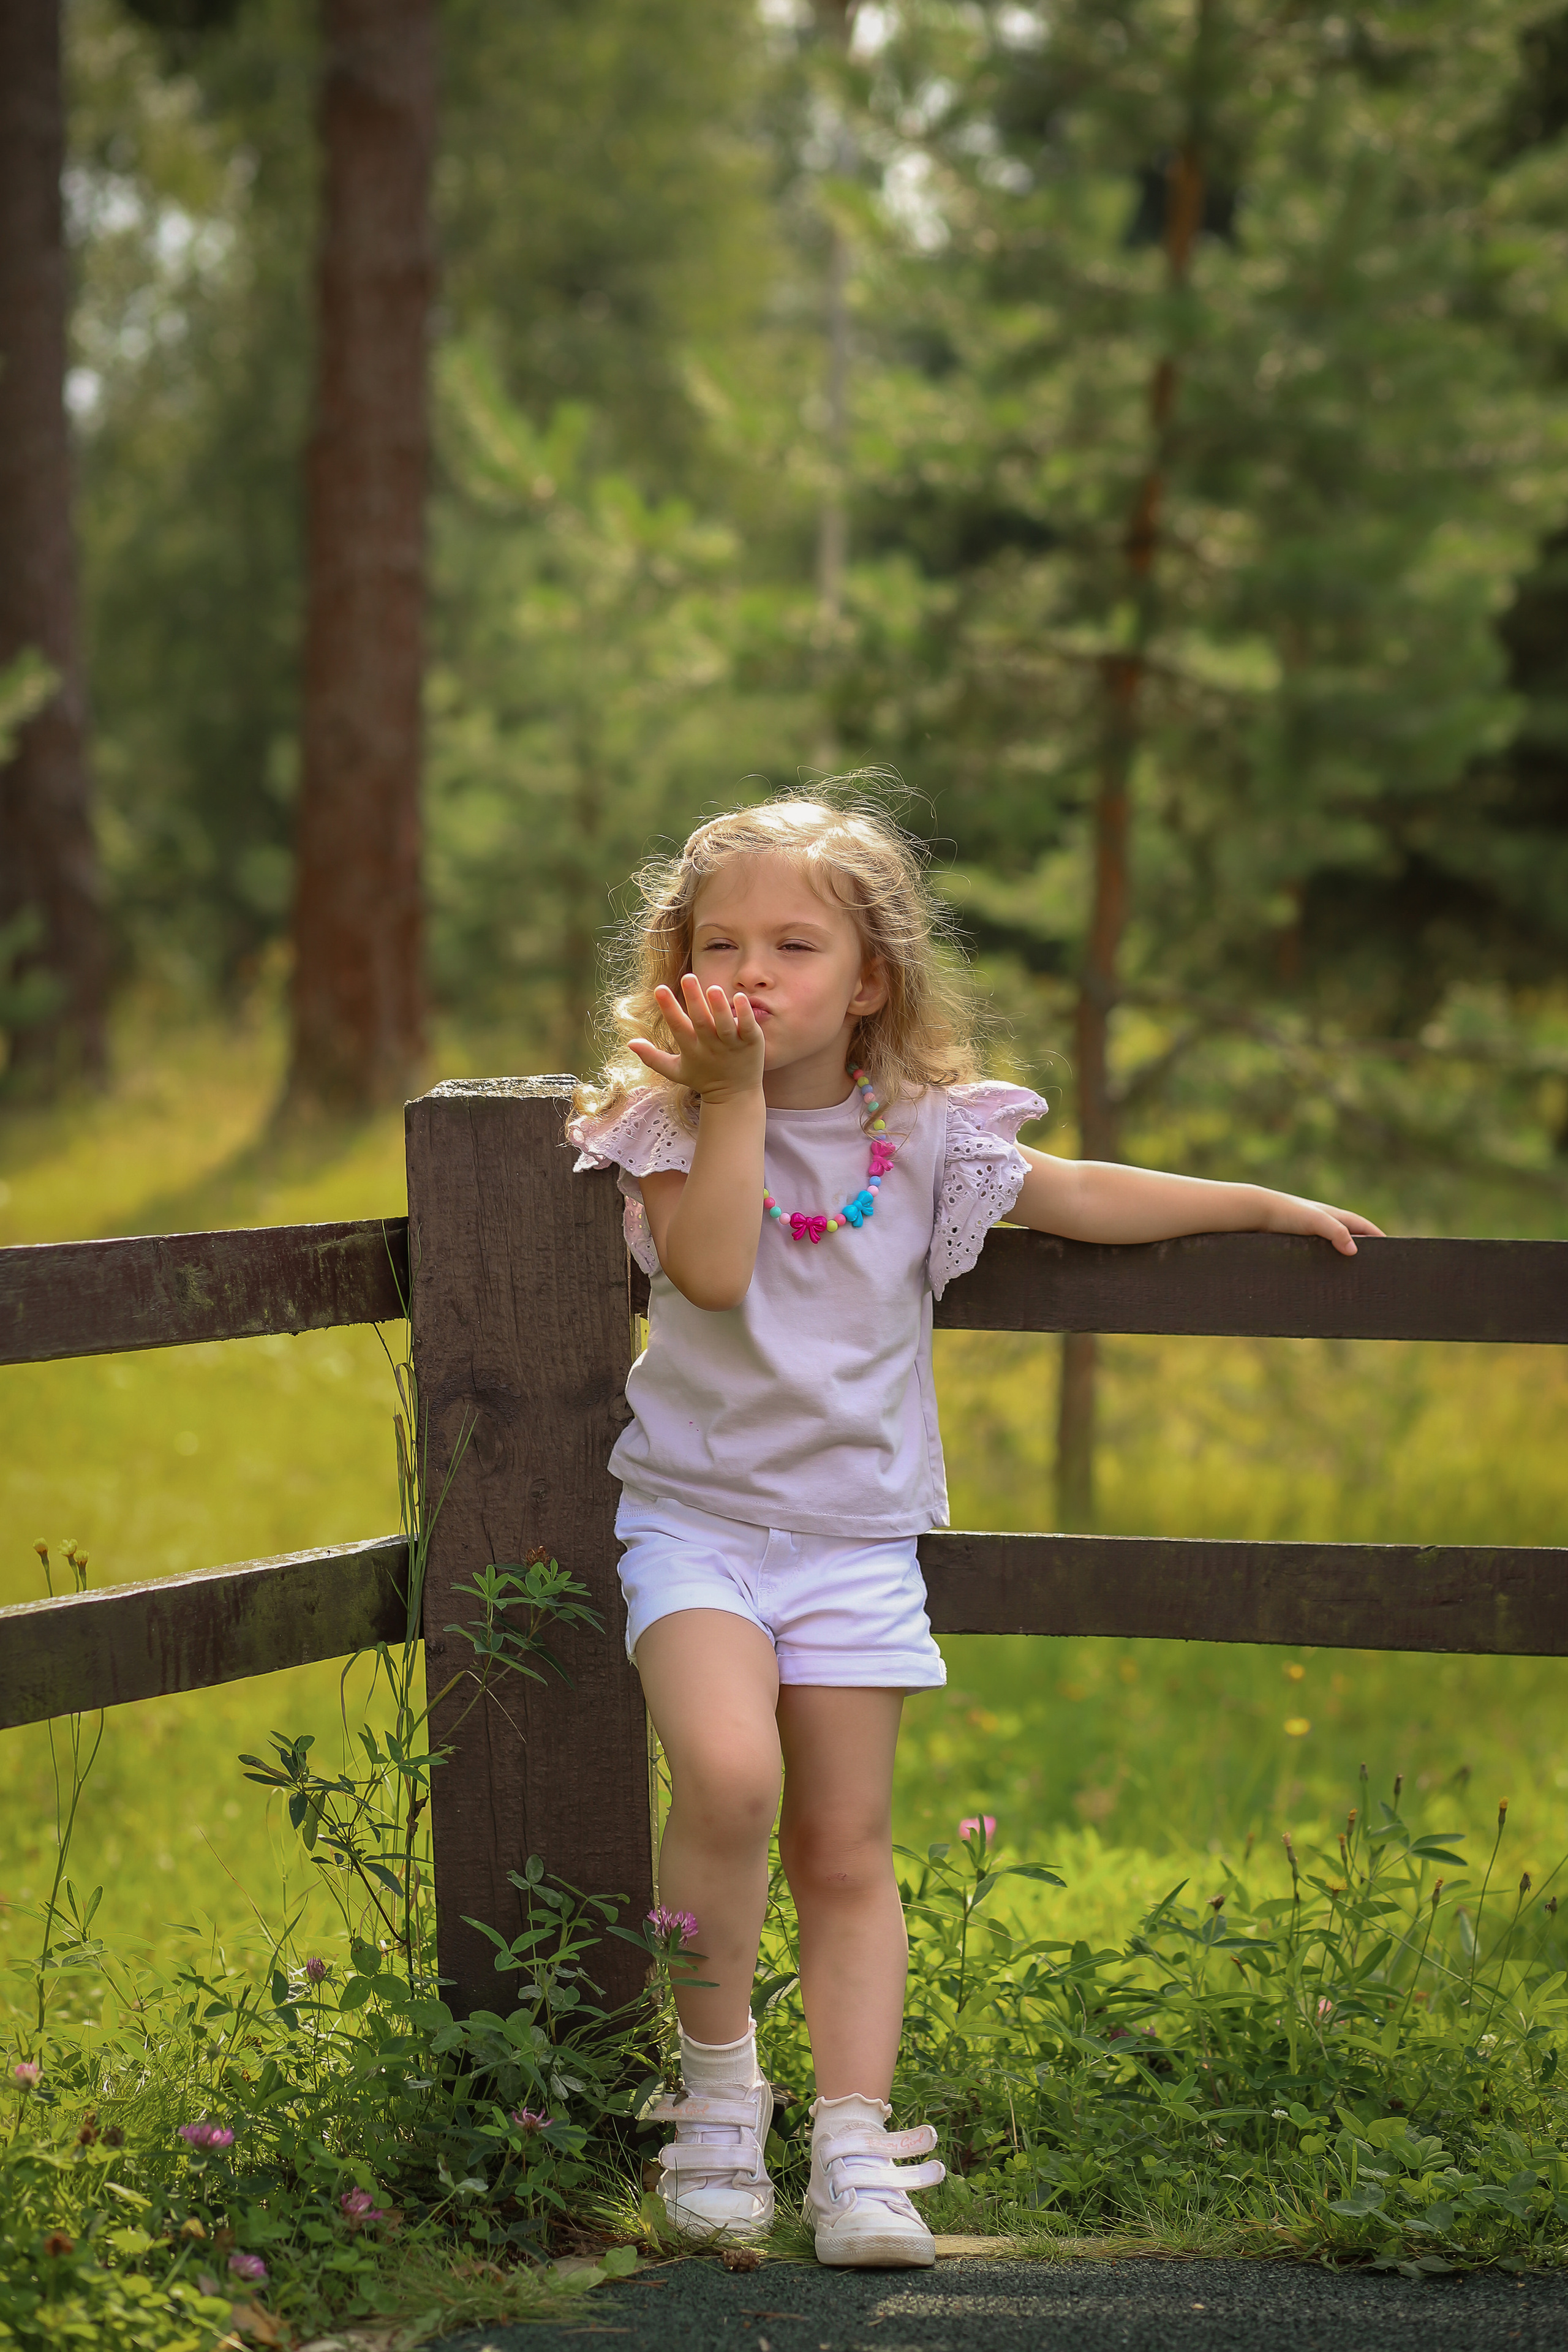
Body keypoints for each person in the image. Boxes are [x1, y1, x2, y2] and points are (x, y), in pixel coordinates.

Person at [567, 793, 1379, 2268]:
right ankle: (713, 2101)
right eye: (720, 940)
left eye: (795, 944)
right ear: (677, 965)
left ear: (869, 978)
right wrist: (736, 1094)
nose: (754, 969)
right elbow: (712, 1274)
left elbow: (1076, 1197)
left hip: (855, 1541)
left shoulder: (924, 1133)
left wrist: (1257, 1199)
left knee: (846, 1843)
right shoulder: (669, 1122)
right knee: (730, 1781)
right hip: (694, 1524)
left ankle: (856, 2145)